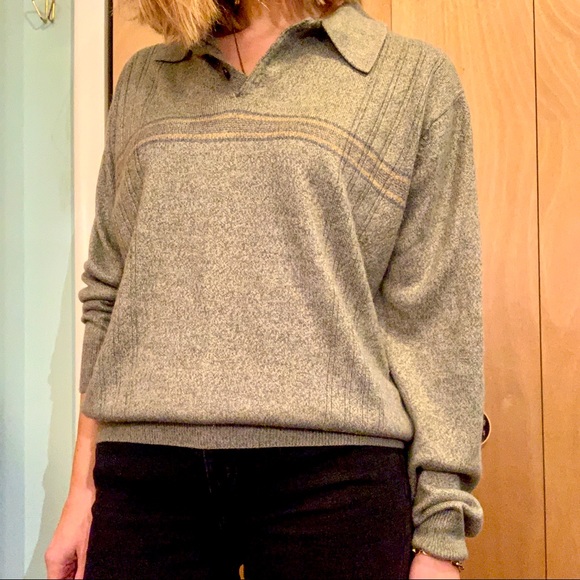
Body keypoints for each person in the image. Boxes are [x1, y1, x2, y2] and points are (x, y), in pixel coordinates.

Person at [45, 0, 485, 578]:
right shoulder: (146, 78)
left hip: (334, 482)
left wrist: (440, 536)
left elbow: (435, 320)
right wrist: (82, 490)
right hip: (147, 478)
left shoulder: (410, 79)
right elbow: (109, 287)